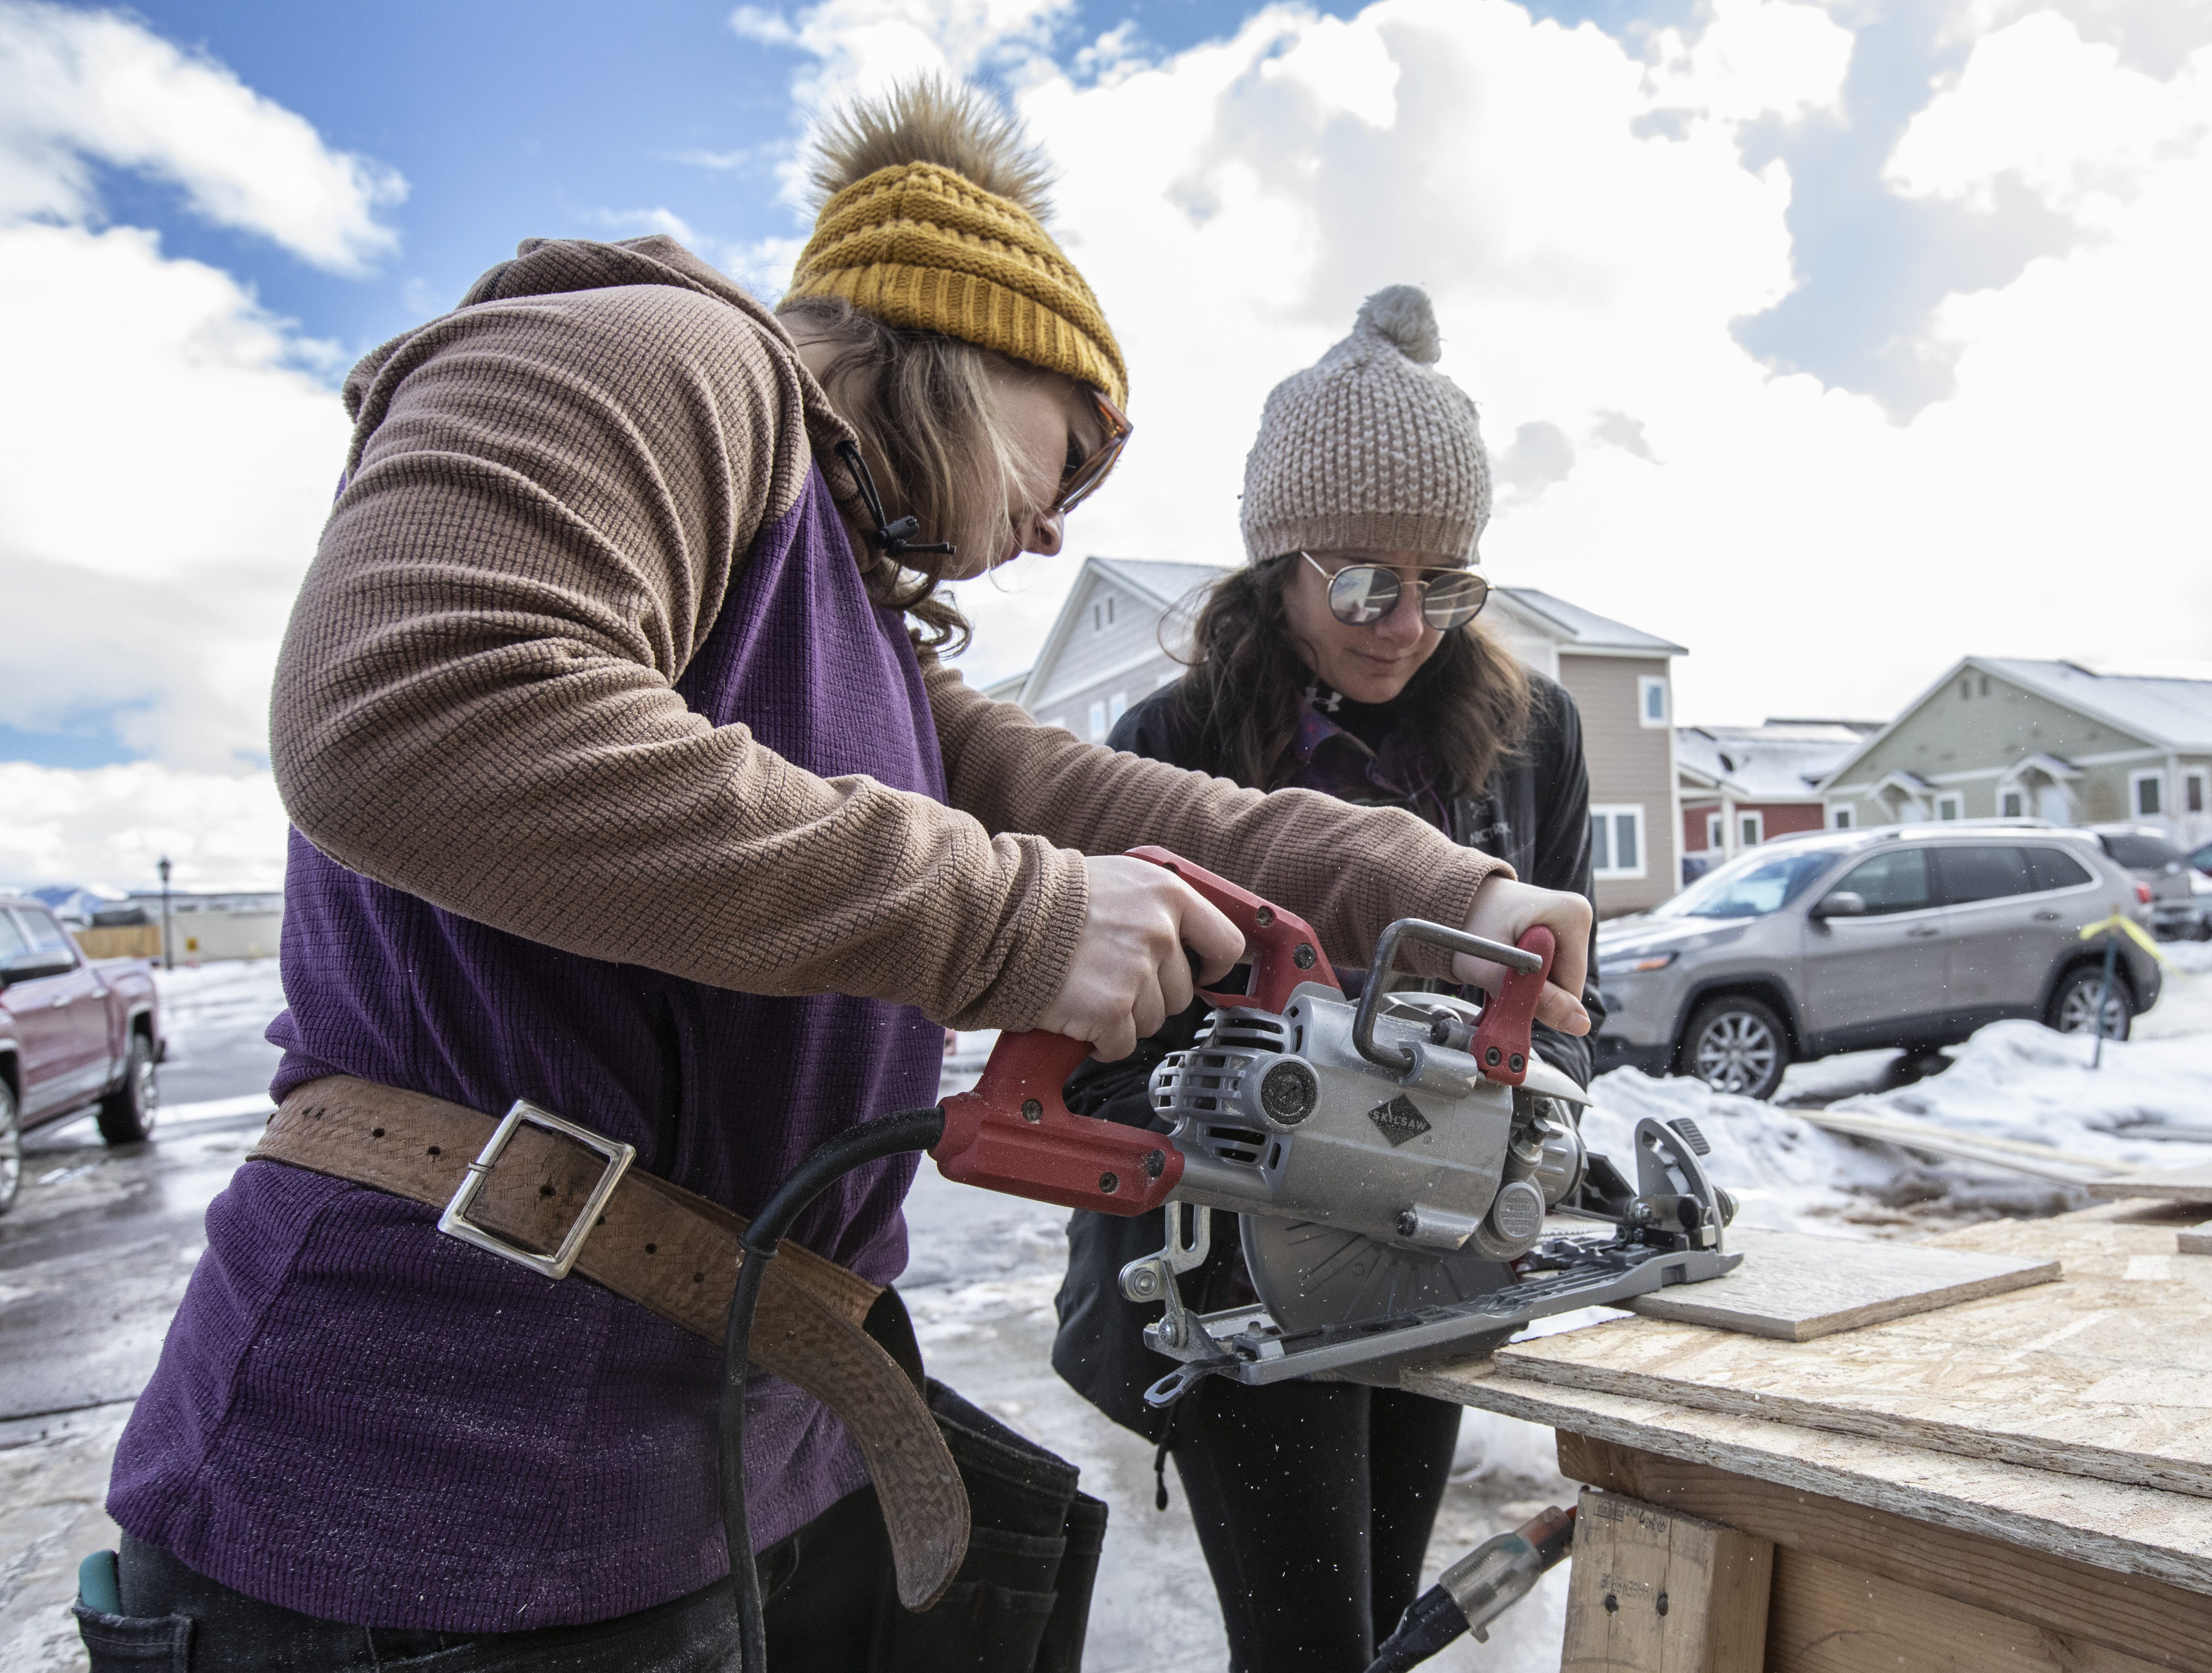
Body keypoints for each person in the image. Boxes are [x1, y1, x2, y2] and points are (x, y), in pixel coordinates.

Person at [82, 81, 1593, 1673]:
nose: (1042, 535)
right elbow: (423, 707)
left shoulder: (838, 615)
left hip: (690, 1468)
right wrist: (1016, 922)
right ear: (969, 340)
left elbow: (1076, 794)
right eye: (1067, 455)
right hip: (431, 1484)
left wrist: (1439, 891)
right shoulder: (657, 354)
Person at [1050, 284, 1608, 1673]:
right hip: (1239, 1255)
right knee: (1303, 1647)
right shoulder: (1169, 741)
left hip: (1439, 1242)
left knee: (1369, 1621)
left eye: (1447, 584)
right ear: (1277, 569)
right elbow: (1105, 1048)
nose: (1407, 621)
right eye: (1364, 580)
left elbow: (1574, 1005)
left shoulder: (1532, 733)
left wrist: (1538, 1131)